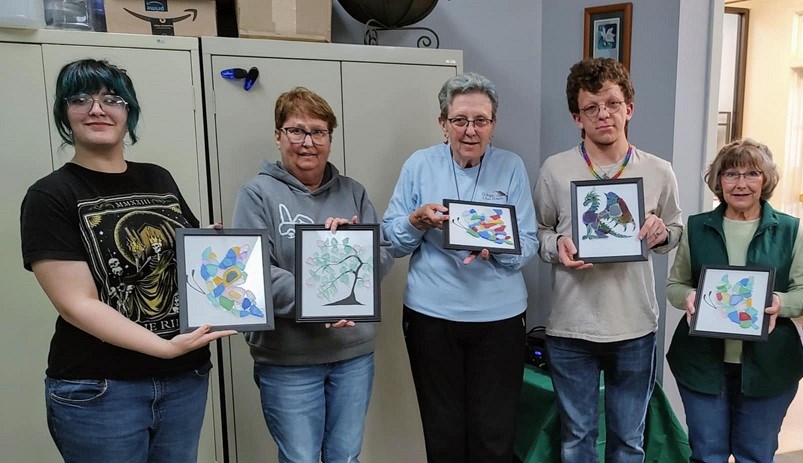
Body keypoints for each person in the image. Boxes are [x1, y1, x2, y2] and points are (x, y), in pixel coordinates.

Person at [19, 58, 233, 462]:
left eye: (111, 99)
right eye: (80, 99)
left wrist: (213, 247)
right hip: (102, 388)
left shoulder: (157, 178)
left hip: (184, 378)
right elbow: (76, 304)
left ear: (128, 112)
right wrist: (163, 347)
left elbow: (181, 264)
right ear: (65, 113)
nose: (97, 109)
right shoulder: (51, 195)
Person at [381, 72, 538, 463]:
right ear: (443, 124)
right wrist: (416, 221)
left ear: (493, 124)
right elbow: (393, 241)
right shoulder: (419, 165)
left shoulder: (512, 166)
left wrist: (498, 248)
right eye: (460, 120)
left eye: (481, 120)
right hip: (432, 317)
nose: (471, 131)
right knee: (443, 431)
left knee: (494, 433)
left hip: (500, 319)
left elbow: (528, 243)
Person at [231, 87, 394, 463]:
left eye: (318, 132)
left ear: (330, 140)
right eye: (296, 130)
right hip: (288, 359)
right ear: (278, 136)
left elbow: (383, 254)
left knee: (345, 456)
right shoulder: (256, 194)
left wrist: (356, 247)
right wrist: (323, 294)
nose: (308, 142)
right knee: (301, 458)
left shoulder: (354, 193)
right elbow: (251, 273)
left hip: (352, 355)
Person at [534, 57, 684, 463]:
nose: (604, 115)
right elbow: (539, 232)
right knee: (576, 438)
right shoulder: (555, 170)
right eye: (591, 108)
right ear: (576, 117)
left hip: (634, 326)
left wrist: (661, 234)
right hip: (571, 327)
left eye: (613, 104)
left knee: (628, 440)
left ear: (629, 108)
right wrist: (557, 247)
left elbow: (675, 231)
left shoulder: (658, 170)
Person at [664, 138, 803, 462]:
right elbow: (675, 284)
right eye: (731, 174)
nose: (740, 184)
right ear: (719, 181)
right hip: (701, 363)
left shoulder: (790, 231)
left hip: (770, 365)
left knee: (756, 455)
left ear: (765, 180)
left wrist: (778, 302)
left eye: (752, 174)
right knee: (707, 454)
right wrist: (689, 296)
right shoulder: (696, 227)